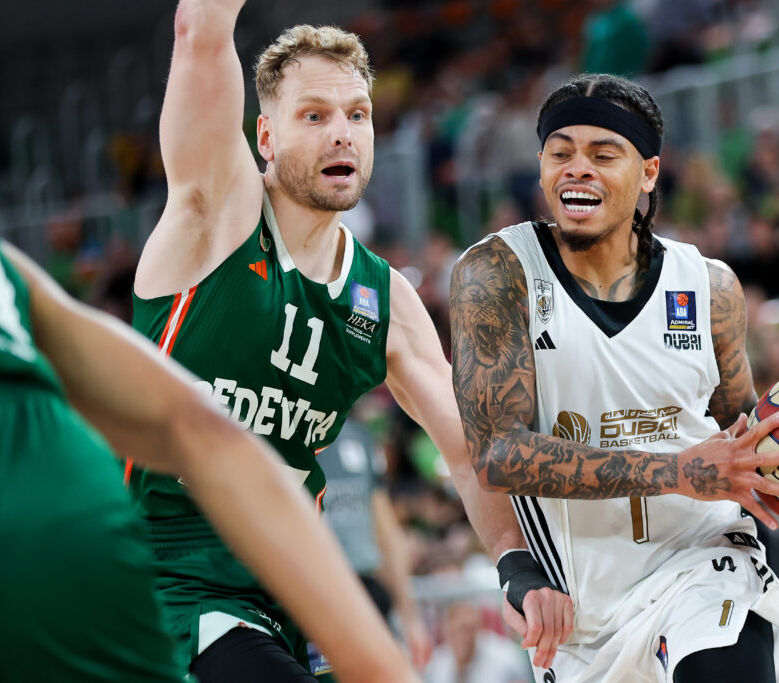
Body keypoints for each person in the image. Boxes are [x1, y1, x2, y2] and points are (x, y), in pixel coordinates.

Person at [130, 2, 570, 680]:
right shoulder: (217, 211)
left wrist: (516, 562)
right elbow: (200, 33)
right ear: (265, 136)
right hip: (163, 573)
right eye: (314, 116)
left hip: (292, 588)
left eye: (357, 115)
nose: (341, 133)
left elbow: (465, 450)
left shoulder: (384, 299)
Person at [450, 73, 779, 682]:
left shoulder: (708, 286)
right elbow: (497, 455)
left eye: (603, 154)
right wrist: (676, 471)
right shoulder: (498, 274)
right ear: (541, 168)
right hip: (584, 613)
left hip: (705, 563)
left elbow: (747, 435)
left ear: (648, 173)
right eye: (560, 153)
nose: (577, 168)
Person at [0, 235, 417, 683]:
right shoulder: (15, 274)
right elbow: (200, 431)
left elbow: (203, 434)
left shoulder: (373, 305)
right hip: (165, 559)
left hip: (279, 577)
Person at [316, 418, 432, 670]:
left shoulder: (359, 438)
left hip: (366, 589)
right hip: (317, 594)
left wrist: (410, 618)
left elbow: (387, 531)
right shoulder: (284, 437)